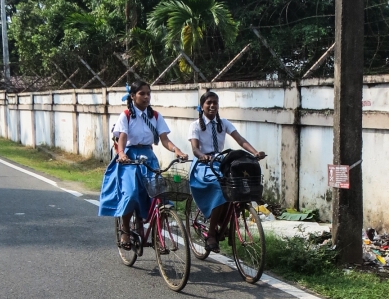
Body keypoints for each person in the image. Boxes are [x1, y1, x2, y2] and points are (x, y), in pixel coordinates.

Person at [99, 80, 188, 250]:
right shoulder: (125, 115)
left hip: (149, 157)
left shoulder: (155, 116)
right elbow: (123, 136)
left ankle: (156, 235)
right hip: (129, 158)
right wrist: (122, 153)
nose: (146, 97)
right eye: (142, 93)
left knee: (160, 196)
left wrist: (177, 150)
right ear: (133, 96)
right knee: (131, 194)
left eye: (148, 93)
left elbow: (164, 139)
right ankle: (125, 230)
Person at [188, 90, 265, 253]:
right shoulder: (195, 125)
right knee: (218, 188)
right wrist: (203, 156)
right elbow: (194, 149)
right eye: (208, 102)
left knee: (235, 186)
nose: (212, 105)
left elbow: (240, 140)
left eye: (215, 102)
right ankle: (210, 233)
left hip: (221, 162)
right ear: (202, 106)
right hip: (203, 164)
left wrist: (255, 152)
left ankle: (227, 223)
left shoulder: (224, 123)